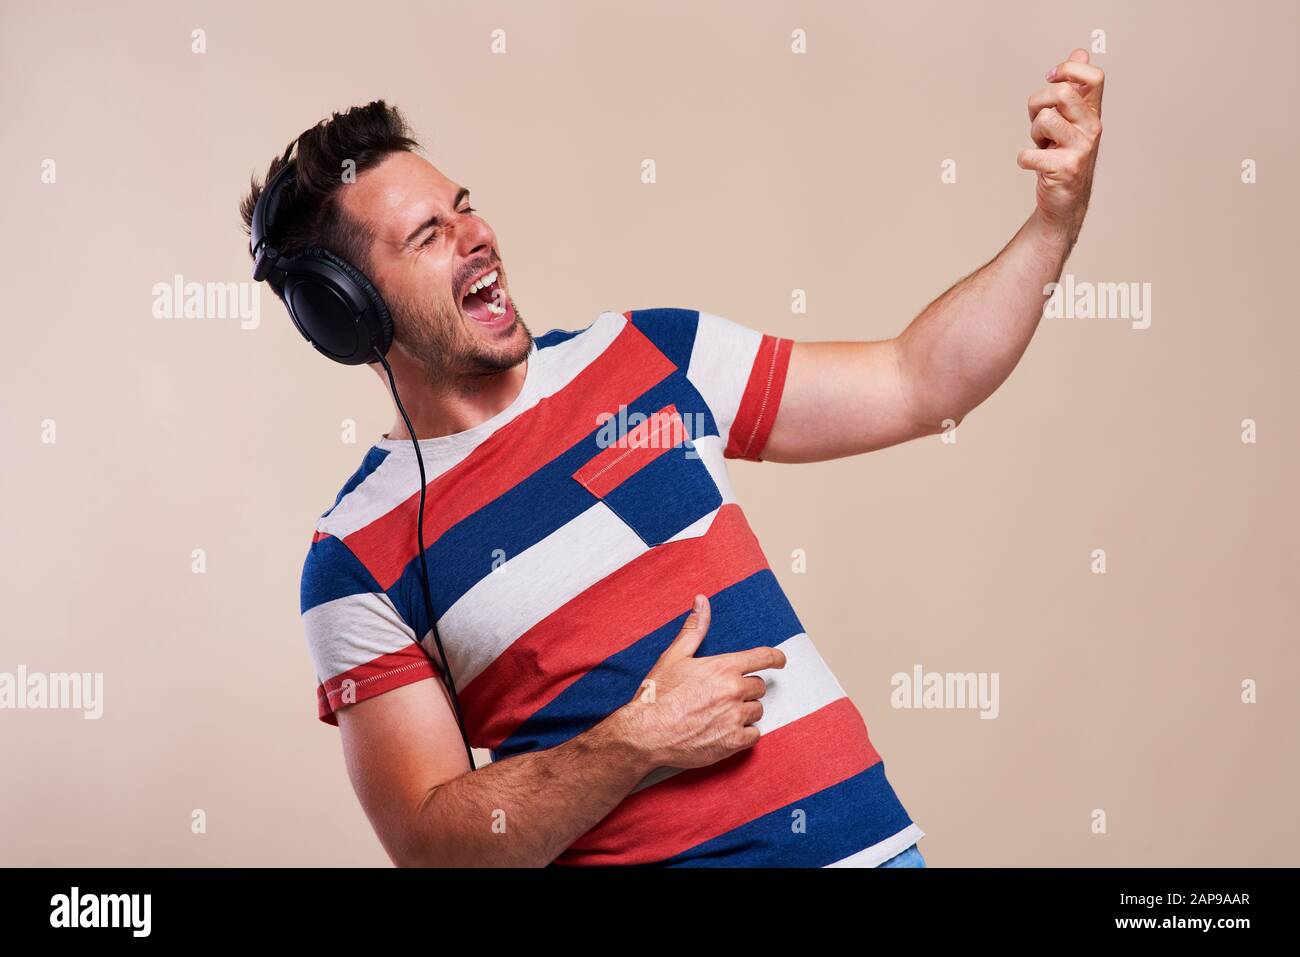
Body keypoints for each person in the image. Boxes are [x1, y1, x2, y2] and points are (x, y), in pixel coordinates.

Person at [242, 49, 1103, 867]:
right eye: (428, 235)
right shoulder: (355, 560)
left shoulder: (652, 355)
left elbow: (919, 382)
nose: (476, 235)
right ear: (349, 312)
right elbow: (434, 845)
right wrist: (632, 741)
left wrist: (1052, 225)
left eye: (465, 205)